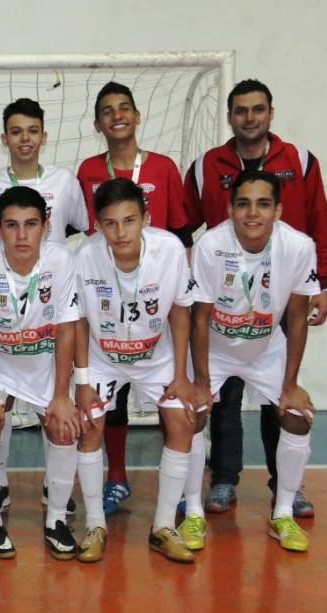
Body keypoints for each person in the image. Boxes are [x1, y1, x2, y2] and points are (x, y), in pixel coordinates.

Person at [184, 79, 327, 516]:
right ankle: (225, 479)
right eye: (241, 111)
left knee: (281, 398)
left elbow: (320, 222)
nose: (250, 117)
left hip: (280, 291)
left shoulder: (300, 161)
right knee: (224, 401)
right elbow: (184, 225)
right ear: (230, 117)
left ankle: (285, 486)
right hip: (222, 302)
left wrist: (324, 283)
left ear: (270, 113)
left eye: (258, 110)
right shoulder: (206, 166)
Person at [184, 170, 319, 552]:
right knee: (189, 414)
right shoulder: (211, 245)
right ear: (230, 209)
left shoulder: (298, 246)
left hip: (266, 349)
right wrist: (200, 382)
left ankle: (284, 513)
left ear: (278, 208)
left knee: (298, 416)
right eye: (243, 204)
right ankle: (194, 513)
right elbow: (199, 317)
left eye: (263, 204)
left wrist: (290, 385)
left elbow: (296, 317)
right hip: (216, 349)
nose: (252, 213)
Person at [77, 82, 193, 516]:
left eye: (124, 107)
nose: (117, 115)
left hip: (154, 294)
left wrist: (171, 279)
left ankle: (181, 495)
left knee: (177, 409)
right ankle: (117, 477)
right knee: (111, 404)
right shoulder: (89, 169)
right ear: (97, 123)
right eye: (107, 110)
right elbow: (81, 229)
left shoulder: (162, 167)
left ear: (138, 115)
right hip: (109, 296)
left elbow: (181, 230)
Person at [0, 97, 88, 512]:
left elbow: (79, 228)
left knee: (63, 419)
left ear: (44, 135)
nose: (25, 138)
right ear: (4, 138)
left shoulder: (63, 182)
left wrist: (66, 390)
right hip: (2, 311)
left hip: (45, 313)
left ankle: (56, 505)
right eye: (16, 131)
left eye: (33, 130)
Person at [74, 178, 196, 563]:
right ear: (98, 225)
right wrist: (81, 381)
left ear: (146, 217)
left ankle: (163, 526)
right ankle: (96, 525)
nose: (120, 232)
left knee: (182, 422)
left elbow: (181, 309)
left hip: (156, 357)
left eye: (129, 220)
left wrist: (180, 374)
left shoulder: (171, 249)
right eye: (110, 223)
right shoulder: (84, 255)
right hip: (102, 358)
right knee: (90, 425)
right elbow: (76, 321)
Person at [0, 186, 82, 560]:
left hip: (43, 360)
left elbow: (68, 328)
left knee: (64, 425)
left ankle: (55, 521)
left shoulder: (61, 260)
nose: (21, 235)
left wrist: (63, 395)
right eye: (12, 225)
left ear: (46, 226)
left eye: (30, 225)